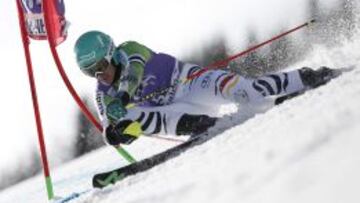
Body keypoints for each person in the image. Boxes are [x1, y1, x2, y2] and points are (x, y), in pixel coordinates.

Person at [74, 30, 340, 146]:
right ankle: (199, 124)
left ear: (110, 53)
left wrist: (123, 96)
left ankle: (305, 77)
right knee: (127, 116)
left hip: (189, 83)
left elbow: (134, 73)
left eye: (99, 65)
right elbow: (108, 128)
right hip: (175, 111)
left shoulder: (129, 50)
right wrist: (118, 134)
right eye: (89, 71)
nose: (98, 74)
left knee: (249, 91)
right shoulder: (102, 94)